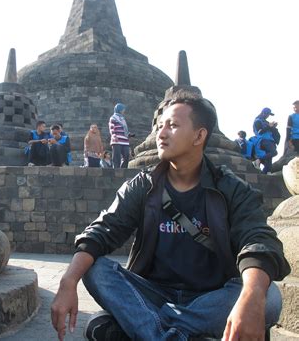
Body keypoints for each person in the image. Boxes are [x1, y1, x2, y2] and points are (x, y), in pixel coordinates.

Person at [51, 96, 290, 341]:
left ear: (199, 136)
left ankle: (148, 327)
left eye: (172, 126)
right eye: (160, 126)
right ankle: (182, 333)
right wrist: (68, 282)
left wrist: (250, 297)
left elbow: (258, 240)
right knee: (95, 268)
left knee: (267, 295)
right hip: (152, 293)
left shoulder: (230, 189)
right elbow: (102, 231)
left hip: (212, 296)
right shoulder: (143, 186)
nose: (160, 134)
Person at [253, 107, 279, 174]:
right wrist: (269, 126)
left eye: (269, 114)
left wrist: (273, 127)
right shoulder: (257, 121)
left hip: (270, 141)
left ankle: (267, 172)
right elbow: (259, 132)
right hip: (263, 140)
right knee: (274, 152)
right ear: (263, 113)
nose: (268, 116)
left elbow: (270, 131)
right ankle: (258, 160)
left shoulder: (266, 122)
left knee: (269, 159)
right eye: (267, 114)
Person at [109, 103, 132, 168]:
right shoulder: (113, 118)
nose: (123, 111)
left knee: (126, 156)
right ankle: (116, 170)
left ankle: (123, 170)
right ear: (119, 109)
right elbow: (111, 127)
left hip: (125, 140)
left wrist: (129, 134)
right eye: (123, 109)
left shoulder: (122, 118)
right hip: (117, 140)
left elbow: (124, 129)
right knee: (117, 157)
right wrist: (113, 135)